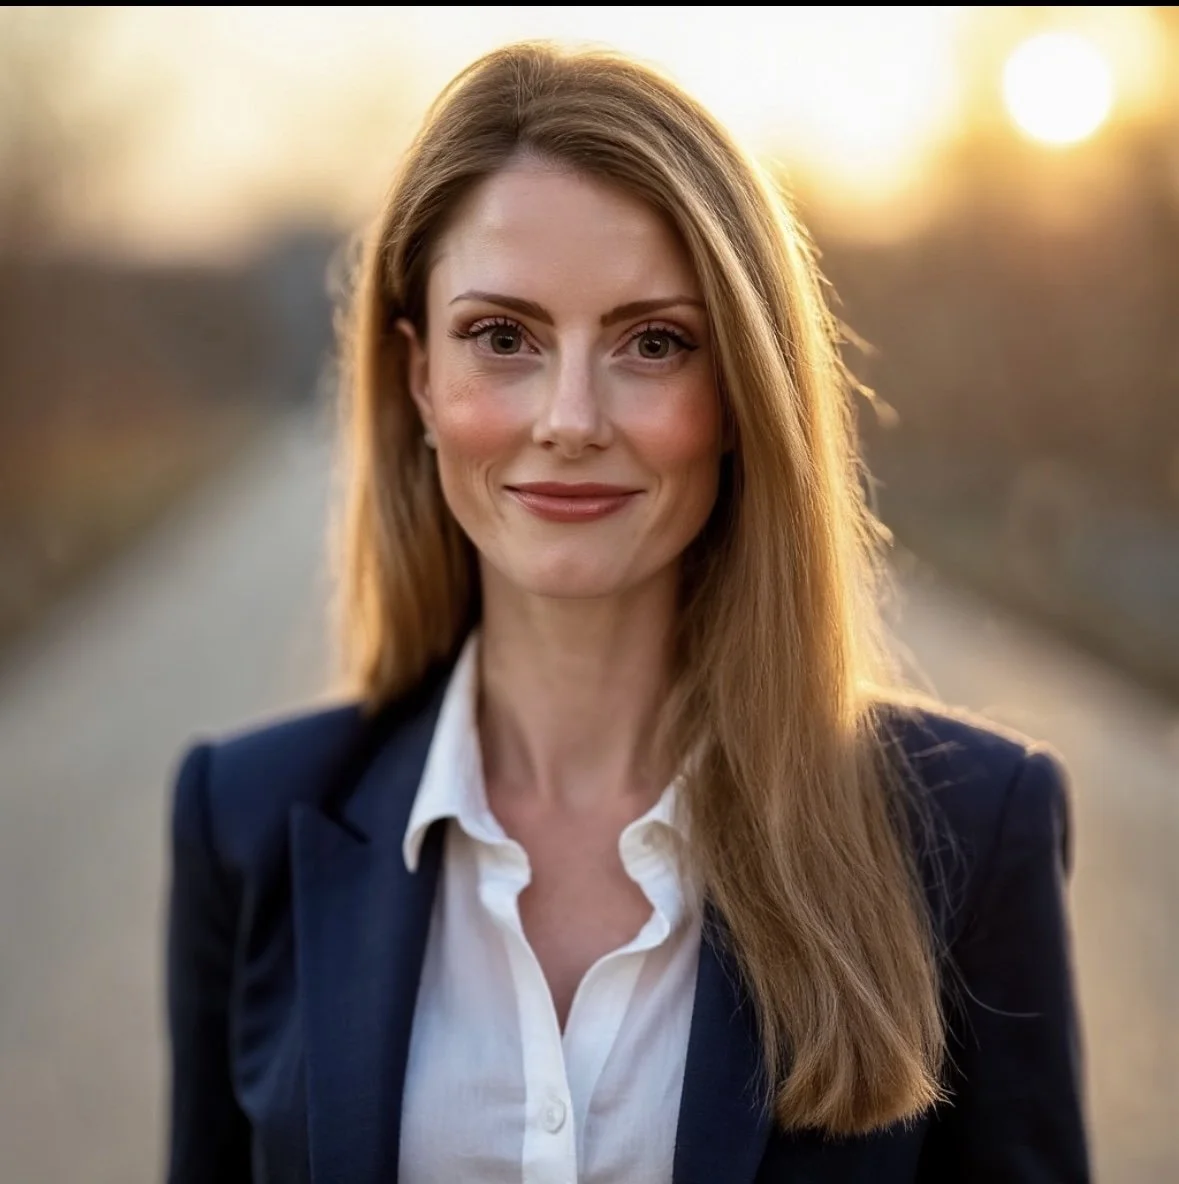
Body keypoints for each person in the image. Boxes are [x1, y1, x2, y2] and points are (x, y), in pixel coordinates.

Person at [165, 42, 1090, 1184]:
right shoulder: (246, 820)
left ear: (742, 393)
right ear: (417, 380)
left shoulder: (970, 831)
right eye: (502, 336)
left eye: (654, 342)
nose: (569, 416)